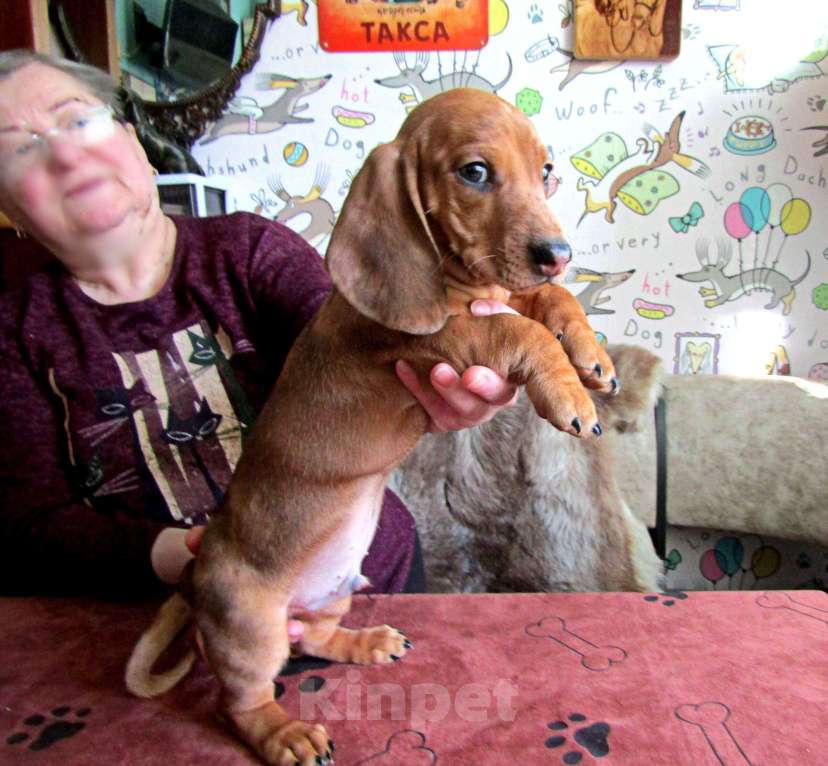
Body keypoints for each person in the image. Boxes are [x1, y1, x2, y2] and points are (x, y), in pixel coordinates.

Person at [0, 50, 518, 606]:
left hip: (363, 585)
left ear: (136, 145)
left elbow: (369, 352)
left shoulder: (247, 251)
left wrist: (452, 375)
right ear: (8, 206)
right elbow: (31, 528)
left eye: (78, 120)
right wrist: (204, 562)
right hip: (183, 620)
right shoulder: (14, 333)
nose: (64, 154)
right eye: (19, 146)